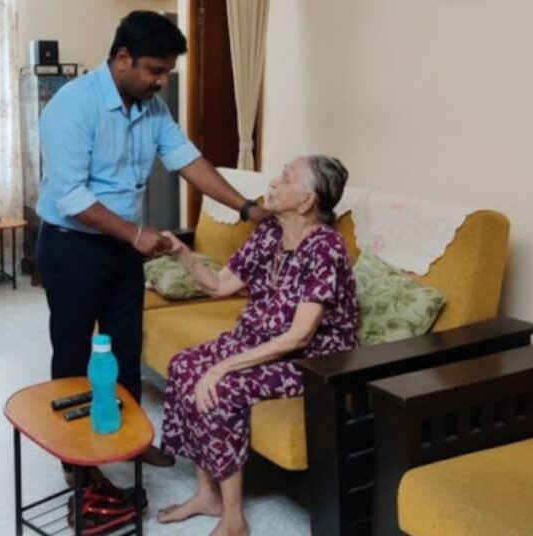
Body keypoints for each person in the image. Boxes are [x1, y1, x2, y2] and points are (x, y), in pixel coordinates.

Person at [35, 10, 269, 491]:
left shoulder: (152, 109)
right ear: (123, 58)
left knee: (125, 349)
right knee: (74, 353)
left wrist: (246, 207)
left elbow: (188, 160)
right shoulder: (71, 107)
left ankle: (131, 438)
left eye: (166, 72)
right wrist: (136, 234)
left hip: (121, 249)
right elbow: (71, 197)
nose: (161, 82)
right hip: (70, 247)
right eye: (154, 71)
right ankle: (77, 464)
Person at [156, 156, 358, 536]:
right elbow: (219, 285)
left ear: (305, 202)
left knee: (223, 386)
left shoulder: (326, 249)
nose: (275, 180)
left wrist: (224, 366)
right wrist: (182, 254)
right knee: (184, 365)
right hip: (260, 338)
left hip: (312, 360)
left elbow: (300, 336)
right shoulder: (269, 233)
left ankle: (233, 518)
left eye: (286, 177)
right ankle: (207, 495)